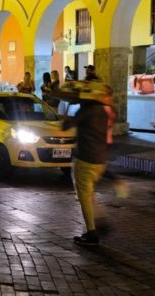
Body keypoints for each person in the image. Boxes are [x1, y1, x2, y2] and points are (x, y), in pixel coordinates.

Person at [58, 81, 110, 245]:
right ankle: (99, 220)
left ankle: (92, 232)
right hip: (100, 159)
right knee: (90, 193)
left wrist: (66, 109)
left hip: (86, 159)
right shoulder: (102, 110)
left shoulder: (86, 110)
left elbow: (66, 126)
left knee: (84, 197)